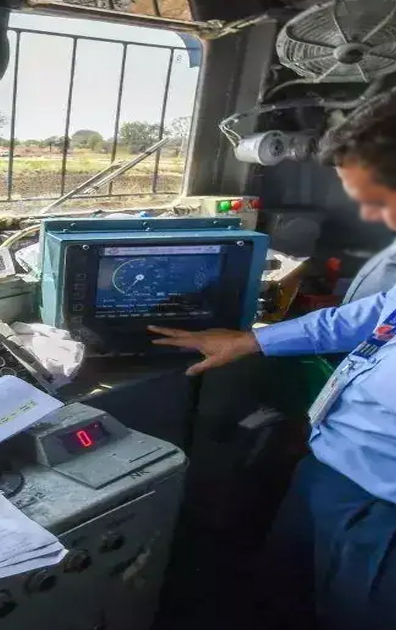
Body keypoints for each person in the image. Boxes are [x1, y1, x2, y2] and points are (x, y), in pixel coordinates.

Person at [150, 89, 396, 630]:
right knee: (282, 602)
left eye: (382, 201)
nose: (375, 219)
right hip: (330, 471)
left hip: (383, 511)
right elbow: (372, 314)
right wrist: (252, 341)